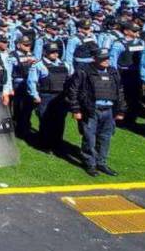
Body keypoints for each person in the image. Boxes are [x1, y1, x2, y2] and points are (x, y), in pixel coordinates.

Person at [66, 48, 127, 177]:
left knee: (105, 138)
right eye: (103, 58)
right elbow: (73, 91)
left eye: (107, 58)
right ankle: (90, 164)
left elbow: (119, 91)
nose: (106, 61)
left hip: (109, 110)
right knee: (89, 138)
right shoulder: (83, 71)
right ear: (95, 59)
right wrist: (76, 109)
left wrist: (121, 109)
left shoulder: (113, 71)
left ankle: (101, 163)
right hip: (91, 110)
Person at [27, 42, 72, 153]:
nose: (55, 54)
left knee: (60, 121)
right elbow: (31, 81)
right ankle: (45, 144)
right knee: (46, 121)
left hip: (61, 97)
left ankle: (57, 143)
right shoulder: (38, 65)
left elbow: (70, 79)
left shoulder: (64, 64)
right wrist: (35, 95)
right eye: (52, 52)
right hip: (46, 96)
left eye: (56, 52)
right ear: (45, 52)